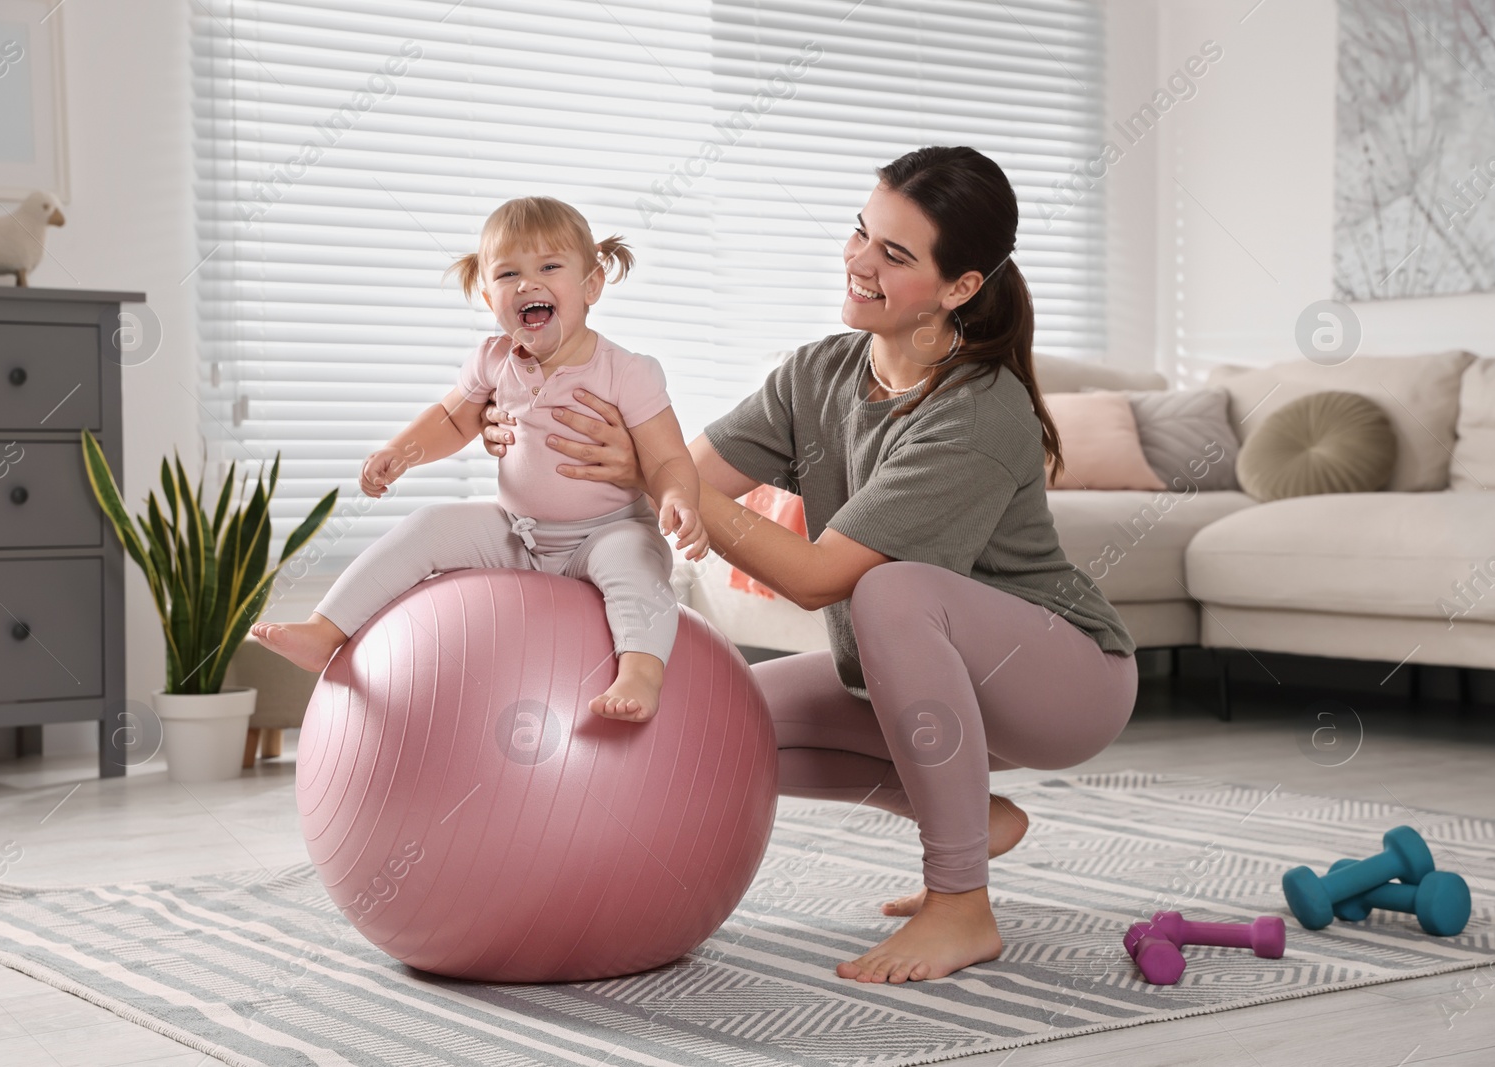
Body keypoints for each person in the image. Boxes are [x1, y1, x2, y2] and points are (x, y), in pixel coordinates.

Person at [475, 147, 1139, 983]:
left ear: (961, 287)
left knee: (889, 587)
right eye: (862, 231)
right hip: (909, 677)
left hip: (1063, 679)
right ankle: (973, 815)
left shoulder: (979, 412)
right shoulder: (816, 374)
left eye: (894, 255)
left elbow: (824, 577)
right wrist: (528, 426)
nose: (859, 260)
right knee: (718, 722)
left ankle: (961, 901)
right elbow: (673, 480)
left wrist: (651, 469)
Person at [251, 196, 708, 722]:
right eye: (508, 273)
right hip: (517, 531)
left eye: (549, 267)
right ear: (488, 294)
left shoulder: (626, 371)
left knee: (635, 564)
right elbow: (451, 419)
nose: (527, 283)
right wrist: (402, 450)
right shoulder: (493, 361)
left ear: (591, 286)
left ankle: (640, 673)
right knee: (427, 526)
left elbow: (667, 454)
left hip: (605, 530)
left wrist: (678, 499)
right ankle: (325, 630)